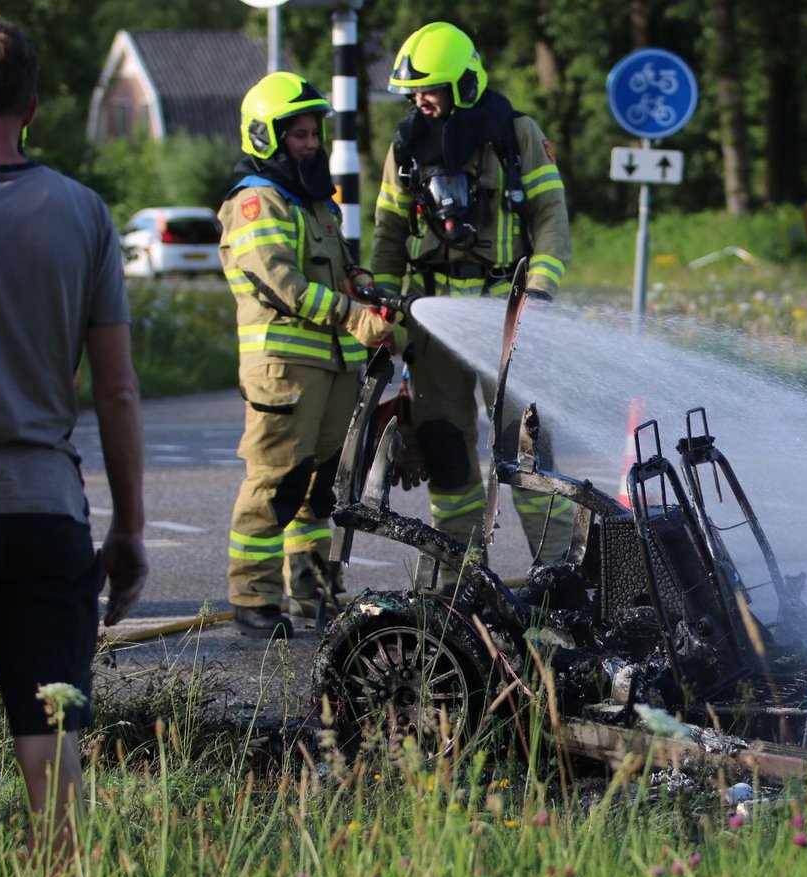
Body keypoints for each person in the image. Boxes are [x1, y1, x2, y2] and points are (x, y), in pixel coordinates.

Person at [0, 15, 148, 856]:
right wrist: (131, 530)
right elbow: (115, 388)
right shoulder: (83, 212)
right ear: (33, 106)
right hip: (48, 511)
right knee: (51, 739)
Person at [370, 21, 573, 572]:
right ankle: (456, 584)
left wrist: (541, 291)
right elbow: (388, 234)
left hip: (508, 319)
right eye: (413, 92)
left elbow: (551, 217)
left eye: (429, 89)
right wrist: (385, 299)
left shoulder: (516, 135)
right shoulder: (406, 146)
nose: (419, 100)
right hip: (432, 329)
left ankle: (557, 579)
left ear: (463, 84)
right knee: (444, 453)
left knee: (527, 451)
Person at [219, 72, 395, 638]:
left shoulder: (318, 205)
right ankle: (253, 598)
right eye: (298, 134)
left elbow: (341, 271)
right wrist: (352, 317)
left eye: (314, 132)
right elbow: (281, 284)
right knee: (277, 483)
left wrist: (364, 284)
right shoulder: (255, 203)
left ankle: (313, 590)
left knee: (319, 490)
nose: (312, 143)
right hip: (284, 372)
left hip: (333, 369)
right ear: (266, 137)